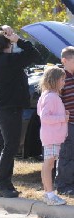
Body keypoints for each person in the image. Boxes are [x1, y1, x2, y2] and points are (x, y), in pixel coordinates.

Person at [0, 27, 40, 198]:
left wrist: (4, 32)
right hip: (10, 109)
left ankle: (5, 183)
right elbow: (34, 54)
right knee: (10, 147)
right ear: (7, 45)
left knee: (3, 147)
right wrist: (18, 40)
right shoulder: (11, 60)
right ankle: (2, 185)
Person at [36, 66, 68, 205]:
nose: (64, 83)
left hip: (51, 136)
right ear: (54, 80)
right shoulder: (51, 97)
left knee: (48, 165)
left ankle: (48, 193)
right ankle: (49, 195)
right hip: (52, 137)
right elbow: (44, 117)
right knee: (49, 165)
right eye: (62, 80)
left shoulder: (46, 95)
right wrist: (63, 118)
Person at [55, 46, 74, 195]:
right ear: (64, 60)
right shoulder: (61, 78)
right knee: (66, 154)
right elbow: (56, 101)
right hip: (67, 122)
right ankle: (63, 185)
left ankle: (70, 182)